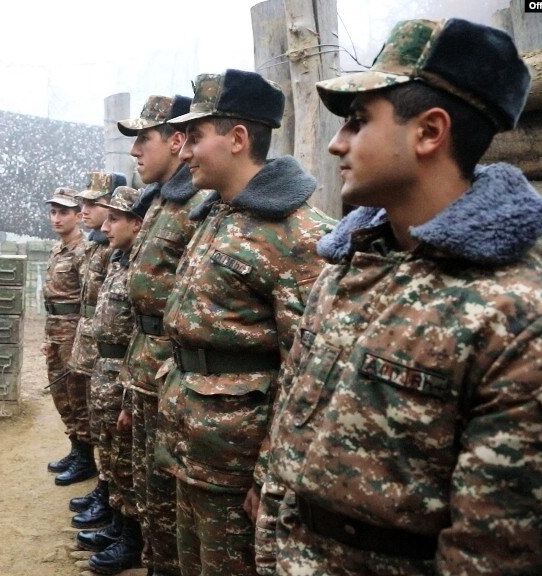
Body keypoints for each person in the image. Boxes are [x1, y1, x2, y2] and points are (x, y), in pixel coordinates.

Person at [256, 18, 542, 575]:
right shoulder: (352, 267)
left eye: (358, 122)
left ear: (429, 132)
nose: (335, 143)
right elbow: (294, 445)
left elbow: (499, 557)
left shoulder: (532, 323)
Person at [158, 69, 335, 575]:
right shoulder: (217, 214)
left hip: (238, 465)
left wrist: (269, 474)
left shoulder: (299, 235)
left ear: (237, 138)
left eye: (195, 137)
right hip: (193, 445)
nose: (185, 153)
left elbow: (307, 373)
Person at [106, 93, 203, 576]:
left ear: (177, 140)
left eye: (144, 138)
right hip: (146, 366)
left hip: (173, 374)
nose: (134, 150)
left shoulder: (197, 206)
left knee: (167, 496)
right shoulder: (162, 202)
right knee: (148, 486)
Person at [73, 185, 146, 574]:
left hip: (123, 374)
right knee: (111, 452)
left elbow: (142, 336)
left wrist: (130, 393)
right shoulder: (119, 259)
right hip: (106, 368)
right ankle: (118, 525)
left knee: (125, 457)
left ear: (137, 223)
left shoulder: (140, 268)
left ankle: (130, 539)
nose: (105, 226)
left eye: (114, 219)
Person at [64, 172, 126, 498]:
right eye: (83, 203)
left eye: (93, 203)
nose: (84, 210)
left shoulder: (114, 250)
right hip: (87, 336)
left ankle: (104, 484)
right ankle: (85, 459)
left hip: (105, 346)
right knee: (83, 402)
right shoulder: (96, 246)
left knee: (104, 416)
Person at [42, 186, 88, 474]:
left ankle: (86, 458)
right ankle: (76, 448)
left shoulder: (84, 251)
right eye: (53, 212)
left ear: (79, 216)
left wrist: (82, 341)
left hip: (74, 334)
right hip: (55, 330)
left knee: (77, 394)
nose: (56, 218)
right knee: (61, 395)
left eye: (63, 213)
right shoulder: (57, 249)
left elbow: (90, 300)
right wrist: (48, 337)